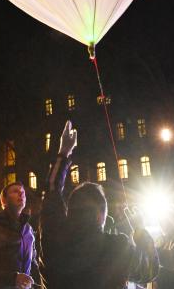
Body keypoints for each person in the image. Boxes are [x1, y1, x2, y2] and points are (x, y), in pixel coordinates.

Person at [39, 120, 159, 289]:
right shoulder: (116, 247)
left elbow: (52, 191)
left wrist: (63, 152)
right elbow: (148, 270)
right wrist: (140, 229)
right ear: (100, 215)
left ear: (70, 210)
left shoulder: (54, 239)